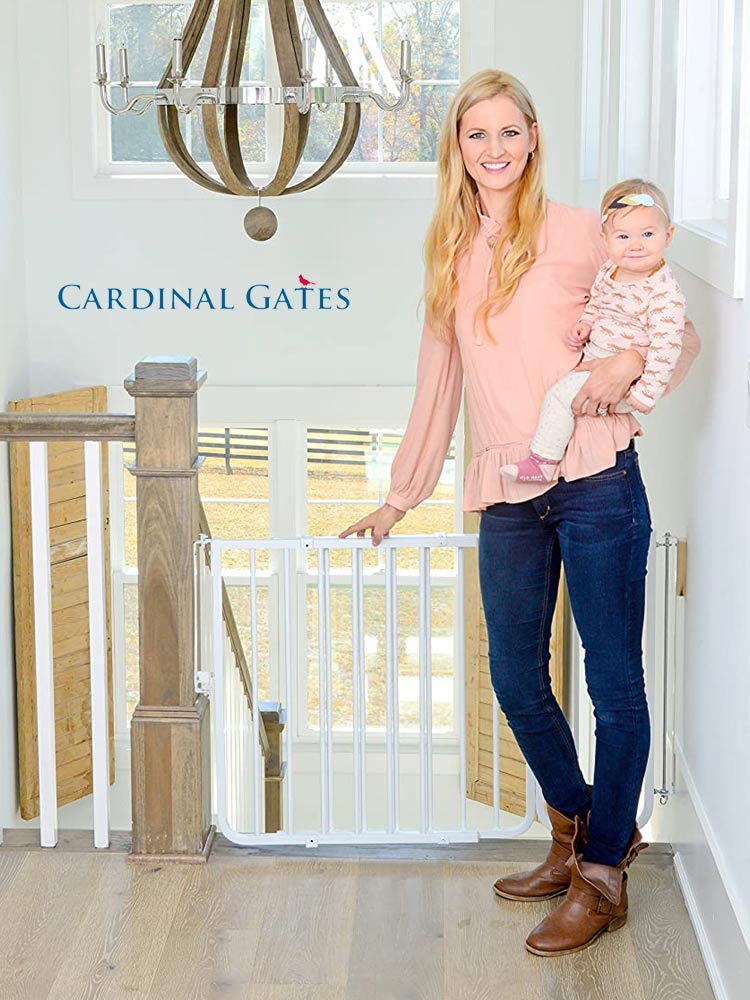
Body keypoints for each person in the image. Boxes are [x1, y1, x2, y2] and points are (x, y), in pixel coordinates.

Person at [338, 69, 700, 957]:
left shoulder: (585, 233)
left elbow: (671, 327)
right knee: (513, 677)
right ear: (456, 149)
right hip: (507, 492)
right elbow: (439, 386)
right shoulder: (448, 253)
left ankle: (605, 872)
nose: (493, 151)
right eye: (475, 136)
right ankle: (577, 830)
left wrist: (625, 377)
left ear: (533, 137)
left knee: (614, 686)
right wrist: (399, 497)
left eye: (508, 132)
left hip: (596, 481)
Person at [500, 180, 686, 484]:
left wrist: (644, 394)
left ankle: (543, 460)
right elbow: (597, 302)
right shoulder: (609, 271)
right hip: (597, 355)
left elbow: (668, 348)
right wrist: (586, 323)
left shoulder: (664, 294)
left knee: (560, 397)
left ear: (669, 235)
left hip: (629, 382)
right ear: (605, 239)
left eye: (648, 234)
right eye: (623, 236)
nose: (636, 245)